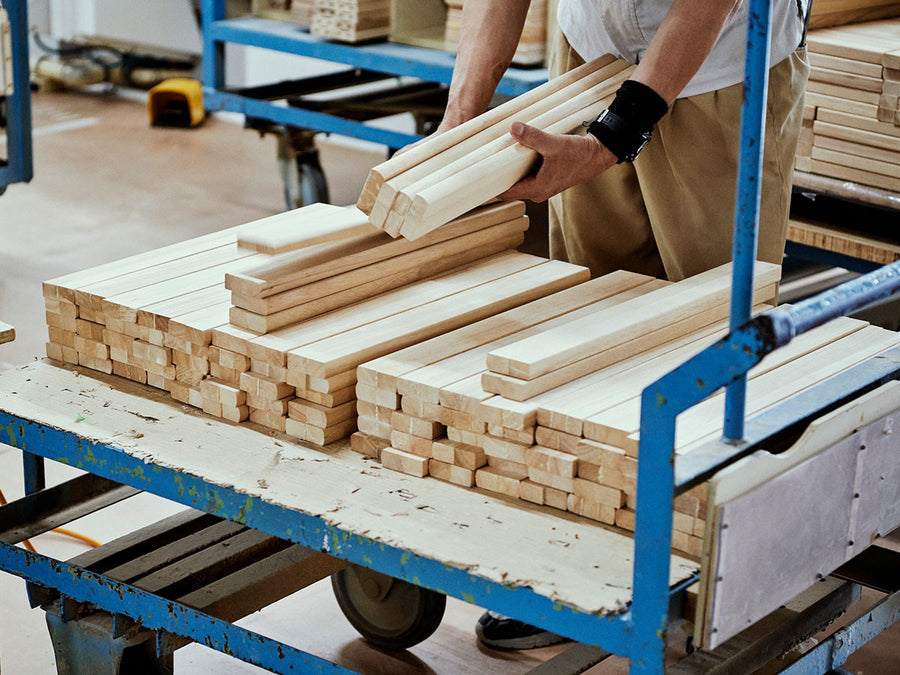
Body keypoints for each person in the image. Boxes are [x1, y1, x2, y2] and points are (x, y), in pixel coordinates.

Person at [429, 0, 810, 650]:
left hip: (722, 67)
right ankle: (579, 573)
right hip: (592, 51)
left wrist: (615, 135)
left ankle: (717, 586)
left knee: (711, 340)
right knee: (589, 341)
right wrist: (458, 123)